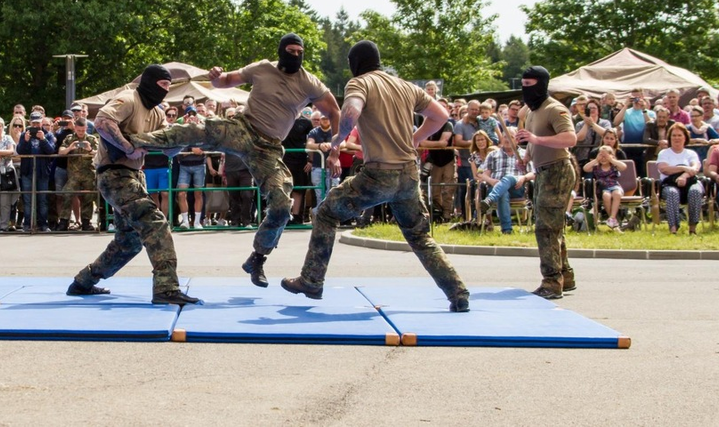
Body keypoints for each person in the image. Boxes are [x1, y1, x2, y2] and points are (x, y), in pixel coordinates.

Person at [128, 33, 341, 289]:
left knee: (282, 205)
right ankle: (136, 140)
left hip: (269, 147)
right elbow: (227, 81)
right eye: (291, 51)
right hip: (243, 128)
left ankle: (257, 258)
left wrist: (335, 151)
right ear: (281, 51)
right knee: (198, 130)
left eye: (299, 52)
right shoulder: (263, 68)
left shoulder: (309, 82)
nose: (295, 56)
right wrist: (216, 77)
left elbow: (334, 111)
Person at [280, 40, 470, 312]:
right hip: (408, 173)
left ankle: (311, 280)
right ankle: (458, 293)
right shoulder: (405, 86)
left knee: (325, 214)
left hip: (379, 173)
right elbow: (440, 115)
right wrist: (416, 138)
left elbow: (352, 110)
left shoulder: (360, 83)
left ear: (355, 64)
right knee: (419, 236)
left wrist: (338, 139)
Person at [66, 64, 199, 306]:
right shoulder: (129, 98)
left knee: (129, 242)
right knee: (155, 223)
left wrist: (188, 135)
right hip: (114, 174)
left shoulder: (157, 113)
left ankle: (83, 281)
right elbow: (102, 122)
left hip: (134, 175)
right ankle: (166, 288)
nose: (165, 90)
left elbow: (169, 150)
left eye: (169, 86)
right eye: (162, 85)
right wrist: (128, 147)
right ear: (149, 82)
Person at [515, 66, 578, 300]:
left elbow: (570, 138)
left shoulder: (554, 109)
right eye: (523, 85)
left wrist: (535, 139)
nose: (525, 90)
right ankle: (565, 276)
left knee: (546, 228)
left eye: (529, 85)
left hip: (557, 170)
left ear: (541, 85)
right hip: (542, 171)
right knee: (552, 226)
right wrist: (527, 155)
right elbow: (534, 139)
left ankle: (552, 282)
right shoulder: (533, 111)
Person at [478, 128, 534, 235]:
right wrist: (491, 180)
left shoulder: (524, 154)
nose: (507, 139)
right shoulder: (493, 155)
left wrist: (524, 178)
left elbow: (534, 173)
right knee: (503, 192)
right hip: (496, 187)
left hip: (517, 188)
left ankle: (490, 199)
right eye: (505, 137)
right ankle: (507, 230)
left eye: (511, 137)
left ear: (517, 140)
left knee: (509, 177)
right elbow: (484, 174)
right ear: (501, 139)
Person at [656, 123, 703, 235]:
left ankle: (692, 228)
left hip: (690, 181)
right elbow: (664, 169)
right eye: (674, 135)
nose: (676, 138)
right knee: (672, 193)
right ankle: (673, 229)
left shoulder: (691, 153)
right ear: (669, 137)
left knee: (695, 192)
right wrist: (683, 167)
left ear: (685, 137)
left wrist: (683, 176)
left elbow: (695, 169)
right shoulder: (664, 153)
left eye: (679, 135)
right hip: (670, 183)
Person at [58, 117, 99, 231]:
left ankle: (86, 222)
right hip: (74, 174)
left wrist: (89, 149)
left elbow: (98, 153)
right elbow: (61, 152)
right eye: (79, 130)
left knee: (88, 197)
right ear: (75, 128)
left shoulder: (91, 139)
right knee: (67, 194)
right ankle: (64, 221)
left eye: (83, 130)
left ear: (86, 128)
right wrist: (70, 148)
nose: (81, 132)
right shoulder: (70, 138)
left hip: (88, 173)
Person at [583, 145, 627, 231]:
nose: (603, 158)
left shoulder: (614, 166)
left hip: (614, 186)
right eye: (601, 156)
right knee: (606, 196)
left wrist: (611, 159)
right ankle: (612, 219)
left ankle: (612, 218)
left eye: (605, 156)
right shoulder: (596, 167)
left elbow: (624, 166)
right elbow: (585, 168)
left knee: (617, 194)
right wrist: (596, 160)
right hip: (603, 188)